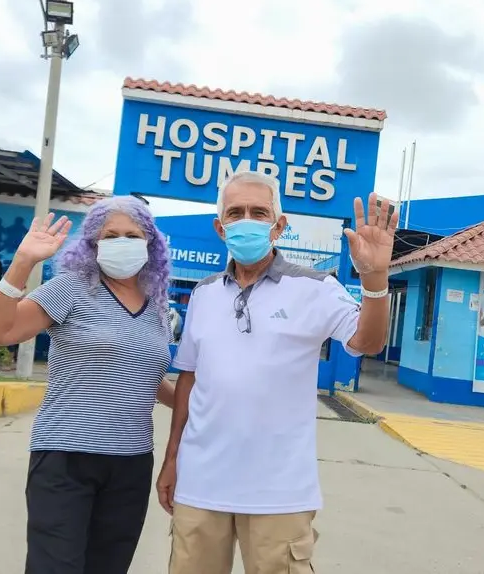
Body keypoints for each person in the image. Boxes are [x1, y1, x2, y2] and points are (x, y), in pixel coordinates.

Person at [156, 171, 395, 574]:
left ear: (279, 225)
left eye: (259, 212)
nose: (246, 220)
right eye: (235, 213)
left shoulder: (315, 288)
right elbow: (189, 380)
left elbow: (368, 342)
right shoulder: (203, 294)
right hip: (200, 485)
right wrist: (172, 458)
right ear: (220, 228)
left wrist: (375, 279)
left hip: (279, 493)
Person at [0, 197, 177, 574]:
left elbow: (146, 377)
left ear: (151, 244)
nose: (121, 242)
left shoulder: (156, 308)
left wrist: (195, 401)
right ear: (93, 243)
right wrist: (23, 263)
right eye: (110, 235)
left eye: (133, 235)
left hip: (131, 462)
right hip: (66, 457)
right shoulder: (71, 288)